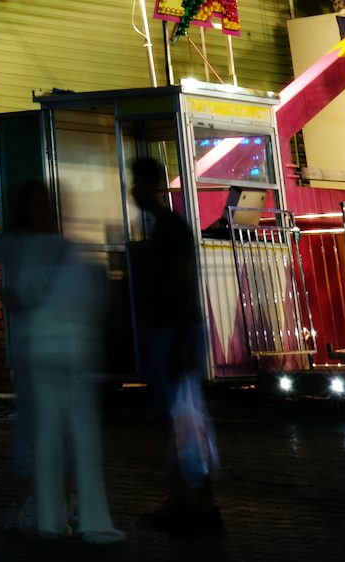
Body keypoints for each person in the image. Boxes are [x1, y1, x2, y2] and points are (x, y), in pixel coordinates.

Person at [0, 181, 122, 544]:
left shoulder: (22, 247)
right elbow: (93, 297)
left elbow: (16, 293)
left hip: (39, 348)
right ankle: (92, 522)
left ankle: (49, 521)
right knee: (82, 435)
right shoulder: (66, 249)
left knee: (48, 434)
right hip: (74, 348)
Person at [127, 157, 223, 536]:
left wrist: (181, 339)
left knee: (185, 420)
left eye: (136, 183)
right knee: (177, 419)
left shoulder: (171, 229)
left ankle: (203, 506)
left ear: (150, 187)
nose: (132, 192)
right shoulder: (165, 228)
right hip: (171, 333)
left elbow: (182, 284)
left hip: (177, 333)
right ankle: (184, 501)